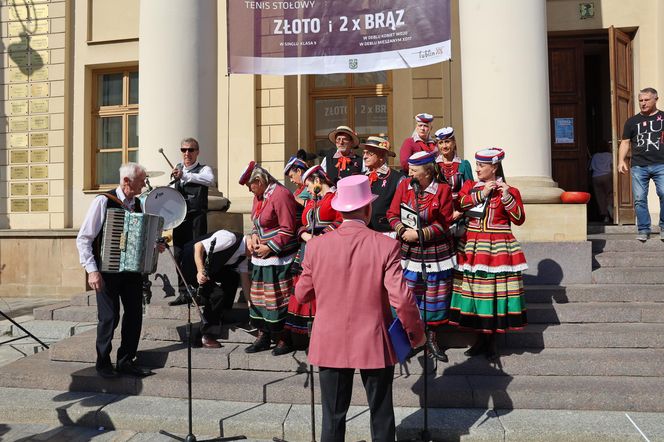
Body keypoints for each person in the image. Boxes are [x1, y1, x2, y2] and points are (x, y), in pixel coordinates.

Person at [295, 174, 425, 442]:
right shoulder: (386, 245)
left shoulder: (316, 246)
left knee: (332, 417)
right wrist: (416, 334)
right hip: (374, 339)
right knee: (381, 414)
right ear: (367, 209)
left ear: (341, 210)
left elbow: (302, 293)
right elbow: (401, 298)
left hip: (329, 338)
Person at [76, 162, 155, 378]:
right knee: (109, 318)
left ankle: (126, 360)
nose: (144, 183)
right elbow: (84, 238)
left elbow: (141, 237)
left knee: (134, 316)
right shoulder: (103, 201)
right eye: (142, 180)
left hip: (132, 272)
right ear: (127, 181)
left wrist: (153, 246)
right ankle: (103, 363)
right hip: (107, 271)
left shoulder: (138, 203)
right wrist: (92, 270)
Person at [448, 148, 528, 360]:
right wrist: (480, 194)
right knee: (474, 292)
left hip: (498, 248)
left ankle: (491, 340)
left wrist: (507, 195)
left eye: (481, 166)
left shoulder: (510, 190)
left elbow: (519, 218)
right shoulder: (470, 187)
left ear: (494, 167)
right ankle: (478, 338)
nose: (477, 169)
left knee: (493, 293)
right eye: (477, 165)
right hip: (472, 246)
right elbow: (457, 205)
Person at [386, 151, 456, 362]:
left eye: (414, 170)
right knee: (407, 293)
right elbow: (392, 214)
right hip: (408, 249)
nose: (409, 172)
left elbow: (444, 223)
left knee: (434, 295)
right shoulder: (404, 186)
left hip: (435, 251)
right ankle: (407, 338)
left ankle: (431, 338)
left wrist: (419, 234)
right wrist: (401, 230)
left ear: (427, 172)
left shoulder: (443, 190)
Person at [280, 166, 342, 355]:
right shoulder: (312, 201)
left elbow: (340, 220)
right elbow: (302, 224)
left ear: (318, 181)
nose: (306, 190)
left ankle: (323, 335)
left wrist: (322, 236)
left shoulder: (335, 198)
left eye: (308, 185)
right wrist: (305, 235)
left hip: (327, 249)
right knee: (304, 287)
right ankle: (301, 335)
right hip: (308, 249)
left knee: (323, 291)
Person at [239, 161, 299, 353]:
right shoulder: (259, 195)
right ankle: (263, 335)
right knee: (259, 298)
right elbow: (257, 222)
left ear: (260, 180)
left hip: (279, 257)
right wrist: (254, 236)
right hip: (261, 256)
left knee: (278, 298)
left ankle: (284, 337)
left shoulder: (281, 195)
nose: (250, 190)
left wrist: (270, 248)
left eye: (251, 185)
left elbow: (288, 229)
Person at [178, 230, 251, 348]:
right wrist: (200, 271)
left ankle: (223, 314)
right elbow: (198, 246)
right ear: (251, 238)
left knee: (232, 277)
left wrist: (250, 303)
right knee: (217, 294)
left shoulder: (243, 257)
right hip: (191, 264)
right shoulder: (230, 238)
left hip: (211, 267)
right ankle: (204, 335)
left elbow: (245, 281)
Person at [169, 137, 216, 305]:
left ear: (197, 152)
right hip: (179, 219)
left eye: (190, 150)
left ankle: (199, 291)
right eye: (183, 150)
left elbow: (209, 180)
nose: (187, 153)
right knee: (179, 254)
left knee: (197, 254)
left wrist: (186, 176)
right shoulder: (177, 168)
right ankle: (183, 292)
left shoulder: (204, 169)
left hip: (197, 218)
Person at [618, 87, 664, 241]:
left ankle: (663, 226)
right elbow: (625, 142)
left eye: (646, 100)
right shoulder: (632, 122)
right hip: (639, 166)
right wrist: (620, 161)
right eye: (640, 100)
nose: (643, 103)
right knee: (639, 198)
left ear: (656, 99)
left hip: (661, 164)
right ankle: (644, 229)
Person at [435, 127, 474, 236]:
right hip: (439, 215)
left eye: (447, 142)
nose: (444, 146)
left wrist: (460, 211)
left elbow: (470, 191)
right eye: (441, 143)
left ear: (454, 143)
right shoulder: (434, 165)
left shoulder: (464, 164)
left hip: (460, 214)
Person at [362, 136, 403, 233]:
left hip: (387, 233)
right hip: (364, 233)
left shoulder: (397, 178)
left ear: (381, 156)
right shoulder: (361, 178)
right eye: (364, 153)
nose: (364, 157)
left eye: (369, 153)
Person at [589, 143, 614, 223]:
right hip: (607, 176)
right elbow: (612, 166)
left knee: (600, 198)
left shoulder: (595, 156)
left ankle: (605, 216)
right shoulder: (610, 155)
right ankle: (609, 206)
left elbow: (591, 168)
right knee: (610, 194)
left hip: (596, 177)